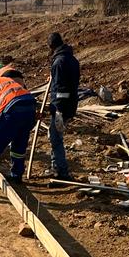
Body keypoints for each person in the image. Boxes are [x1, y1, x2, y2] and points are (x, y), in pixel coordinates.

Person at [0, 69, 37, 184]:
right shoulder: (4, 81)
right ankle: (16, 175)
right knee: (19, 143)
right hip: (30, 104)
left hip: (12, 106)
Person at [46, 32, 80, 180]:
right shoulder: (72, 59)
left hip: (61, 107)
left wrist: (56, 108)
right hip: (70, 104)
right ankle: (56, 167)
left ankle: (61, 171)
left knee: (55, 138)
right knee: (55, 135)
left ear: (51, 46)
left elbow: (60, 89)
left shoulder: (59, 62)